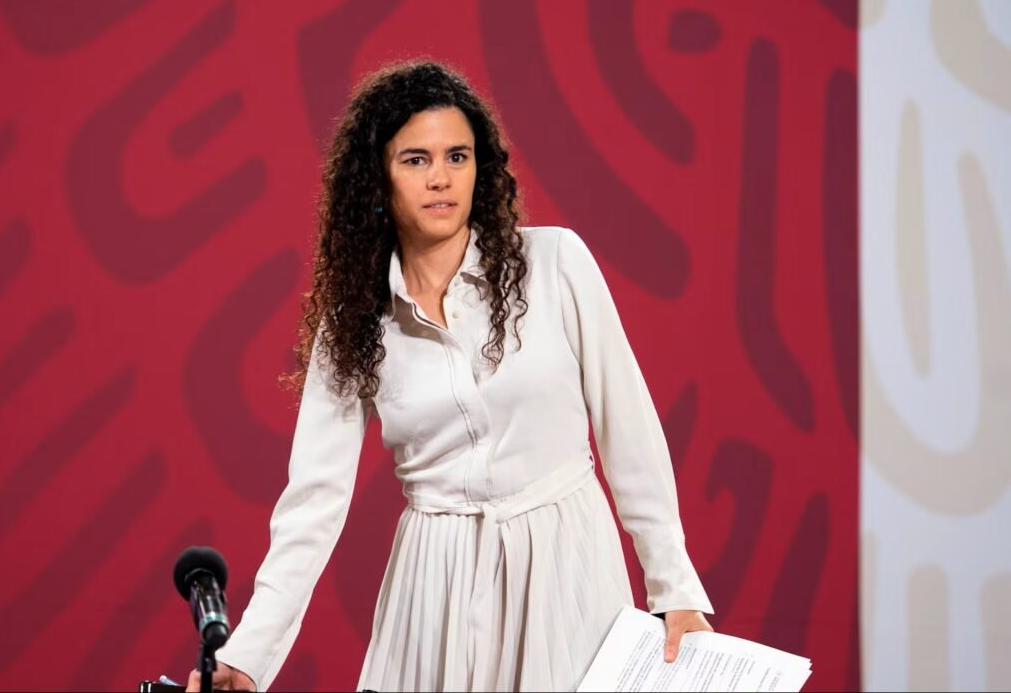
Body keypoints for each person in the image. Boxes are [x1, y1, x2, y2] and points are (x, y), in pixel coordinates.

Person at [186, 59, 713, 692]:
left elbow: (629, 431)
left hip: (568, 562)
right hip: (434, 584)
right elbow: (313, 502)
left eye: (457, 157)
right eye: (416, 160)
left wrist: (674, 588)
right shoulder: (353, 324)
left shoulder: (556, 263)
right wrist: (248, 656)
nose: (440, 178)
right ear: (377, 177)